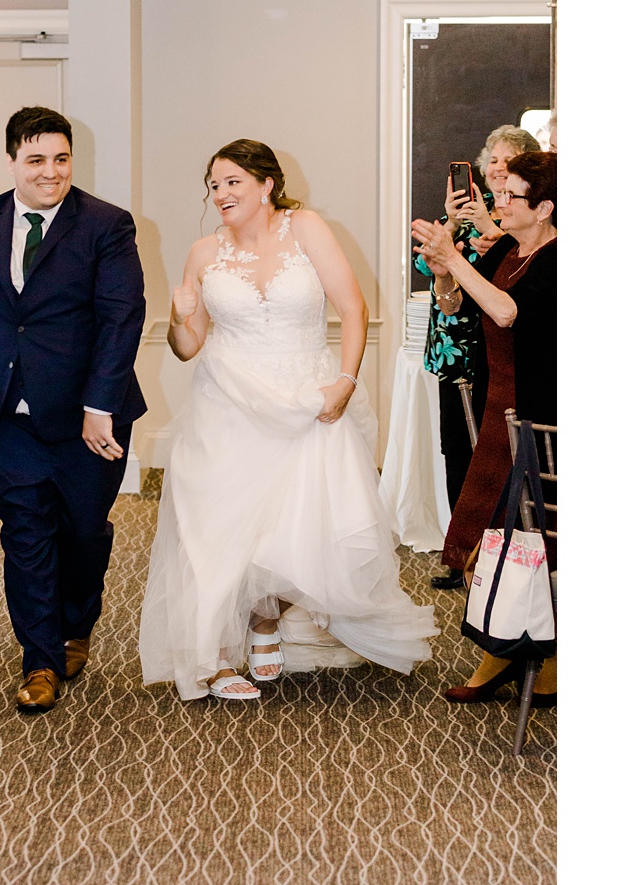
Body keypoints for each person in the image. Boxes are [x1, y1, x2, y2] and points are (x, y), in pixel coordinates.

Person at [139, 139, 436, 702]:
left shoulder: (307, 229)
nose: (221, 193)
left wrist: (346, 382)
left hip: (307, 398)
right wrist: (178, 318)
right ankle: (217, 656)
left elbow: (354, 309)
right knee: (219, 526)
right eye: (214, 185)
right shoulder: (204, 253)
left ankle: (266, 620)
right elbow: (188, 346)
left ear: (266, 185)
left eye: (233, 182)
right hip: (228, 403)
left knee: (306, 524)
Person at [0, 106, 147, 714]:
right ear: (11, 162)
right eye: (36, 160)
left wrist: (99, 404)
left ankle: (77, 624)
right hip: (6, 416)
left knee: (81, 533)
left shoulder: (107, 224)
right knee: (25, 532)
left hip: (89, 417)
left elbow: (121, 318)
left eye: (61, 159)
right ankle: (40, 660)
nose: (51, 173)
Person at [412, 150, 556, 703]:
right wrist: (446, 272)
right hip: (504, 410)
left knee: (534, 540)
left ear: (543, 207)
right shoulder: (510, 251)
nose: (498, 201)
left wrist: (456, 256)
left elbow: (504, 311)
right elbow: (461, 307)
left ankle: (549, 658)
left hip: (544, 417)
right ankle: (500, 650)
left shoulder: (558, 258)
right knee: (489, 538)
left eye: (510, 195)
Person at [417, 124, 540, 590]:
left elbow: (508, 300)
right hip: (456, 344)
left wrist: (484, 236)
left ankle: (498, 561)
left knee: (494, 458)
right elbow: (433, 272)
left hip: (499, 353)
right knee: (457, 450)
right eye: (492, 162)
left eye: (507, 167)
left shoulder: (517, 226)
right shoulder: (470, 218)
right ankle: (462, 552)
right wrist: (449, 236)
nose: (496, 174)